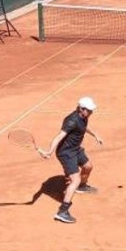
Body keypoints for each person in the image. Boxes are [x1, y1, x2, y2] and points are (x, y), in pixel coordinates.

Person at [39, 96, 103, 224]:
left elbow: (84, 128)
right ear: (81, 109)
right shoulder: (71, 121)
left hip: (75, 148)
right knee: (75, 179)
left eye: (91, 110)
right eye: (89, 110)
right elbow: (58, 137)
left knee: (88, 166)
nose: (91, 112)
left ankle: (81, 186)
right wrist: (50, 152)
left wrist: (95, 135)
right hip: (66, 152)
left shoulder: (84, 117)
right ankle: (62, 211)